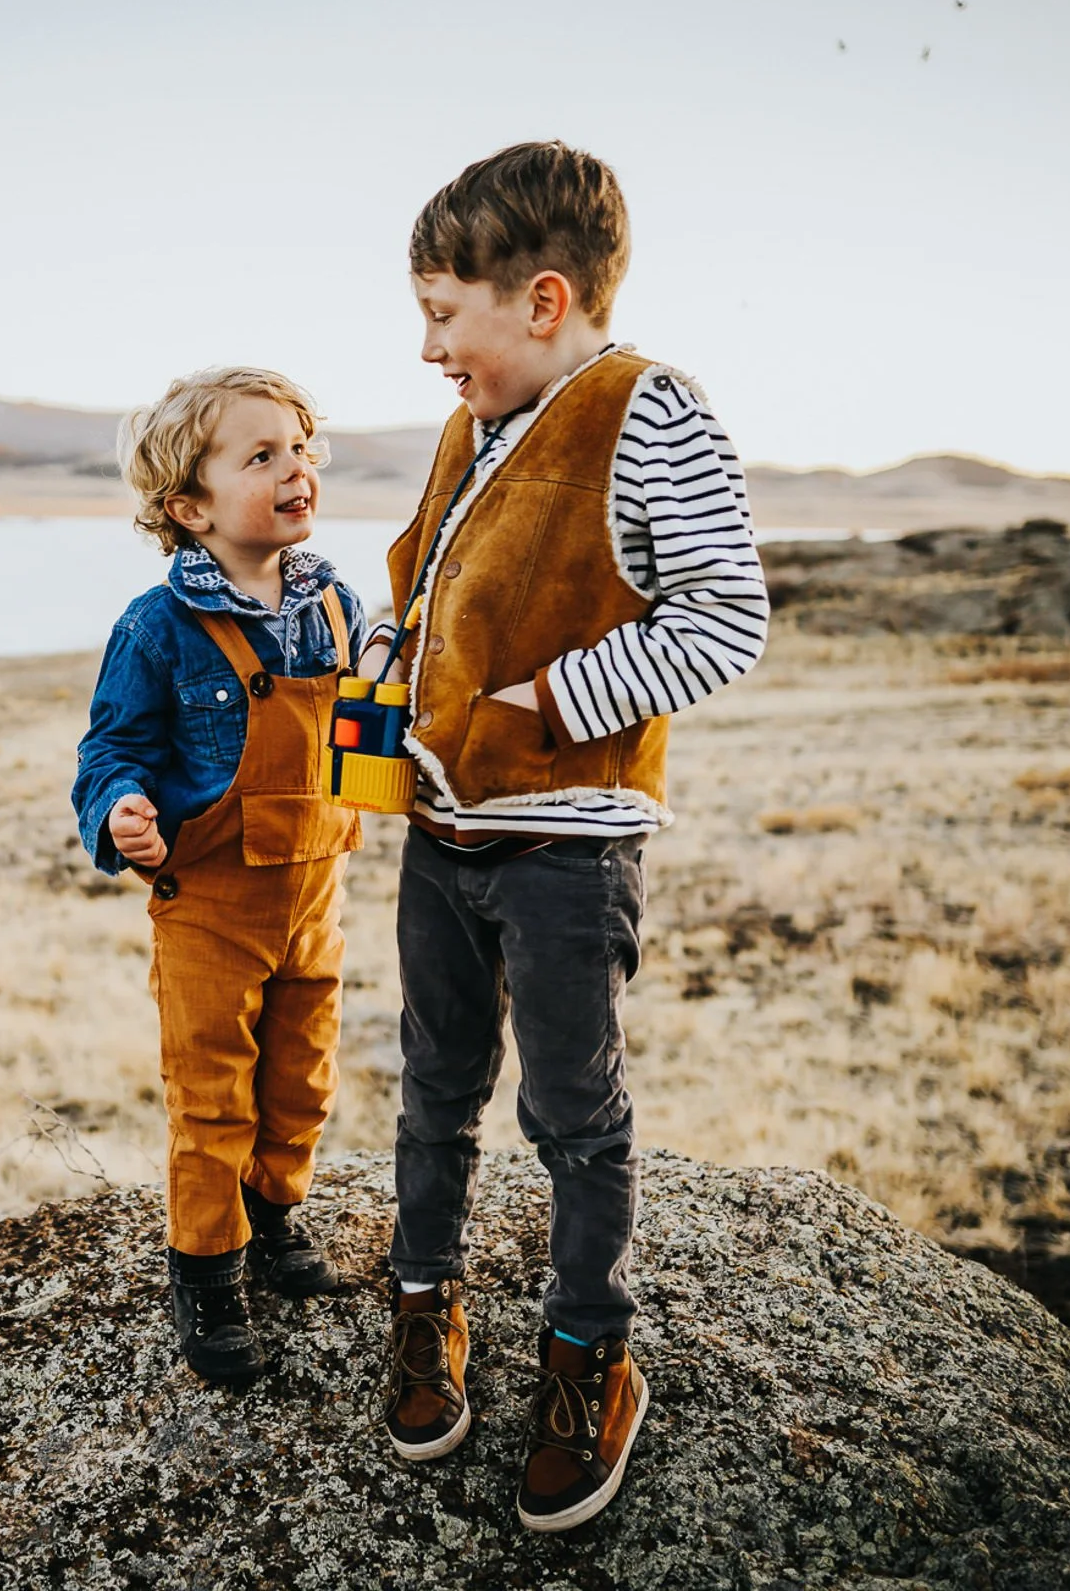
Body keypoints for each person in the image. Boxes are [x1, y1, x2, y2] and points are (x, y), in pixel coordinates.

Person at [365, 142, 770, 1530]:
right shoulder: (475, 424)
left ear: (541, 299)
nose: (426, 346)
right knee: (433, 1085)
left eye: (441, 312)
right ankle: (426, 1307)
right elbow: (428, 578)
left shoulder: (648, 411)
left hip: (565, 848)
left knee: (569, 1113)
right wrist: (381, 652)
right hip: (440, 833)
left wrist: (553, 699)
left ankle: (591, 1352)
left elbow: (727, 615)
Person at [72, 366, 368, 1384]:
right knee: (211, 1096)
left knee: (301, 1077)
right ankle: (205, 1265)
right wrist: (121, 811)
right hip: (209, 906)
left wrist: (389, 767)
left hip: (316, 892)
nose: (295, 468)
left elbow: (359, 737)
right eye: (260, 455)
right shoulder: (156, 628)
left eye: (300, 448)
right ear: (187, 506)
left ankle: (274, 1213)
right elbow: (109, 751)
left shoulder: (335, 603)